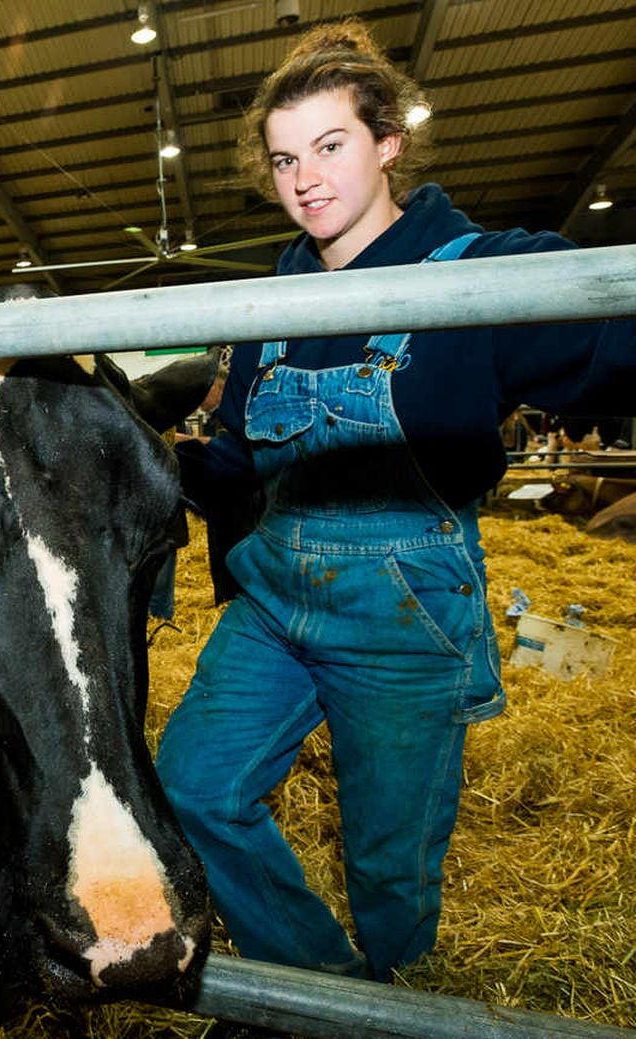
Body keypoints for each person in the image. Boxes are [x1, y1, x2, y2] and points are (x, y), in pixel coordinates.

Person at [155, 17, 636, 985]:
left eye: (330, 146)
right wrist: (155, 462)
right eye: (286, 158)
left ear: (388, 143)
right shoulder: (265, 309)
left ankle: (393, 988)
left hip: (404, 602)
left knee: (388, 858)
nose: (305, 178)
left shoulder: (473, 275)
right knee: (193, 787)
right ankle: (324, 986)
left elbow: (609, 344)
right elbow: (243, 463)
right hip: (275, 590)